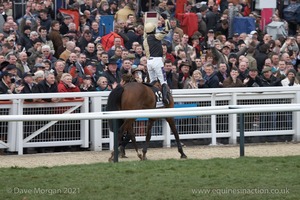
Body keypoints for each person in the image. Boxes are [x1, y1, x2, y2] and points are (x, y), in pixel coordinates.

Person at [143, 20, 171, 104]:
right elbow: (167, 30)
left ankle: (152, 97)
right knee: (163, 81)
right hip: (157, 61)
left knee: (152, 81)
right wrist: (166, 20)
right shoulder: (155, 37)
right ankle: (166, 99)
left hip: (149, 62)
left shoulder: (145, 40)